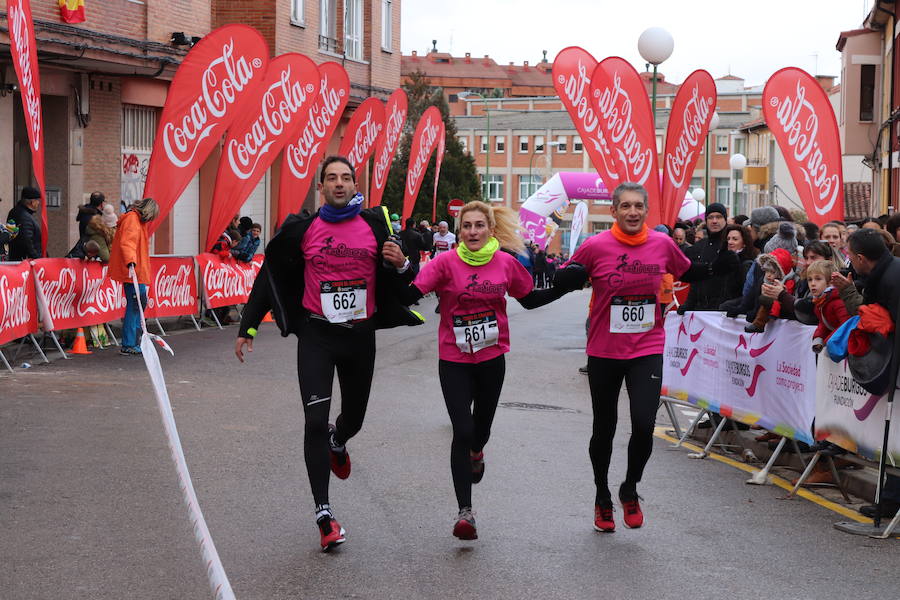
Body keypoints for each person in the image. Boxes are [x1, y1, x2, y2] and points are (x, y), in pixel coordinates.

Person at [234, 156, 423, 552]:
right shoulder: (303, 230)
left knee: (351, 418)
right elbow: (271, 274)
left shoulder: (375, 227)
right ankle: (324, 514)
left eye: (346, 178)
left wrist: (402, 263)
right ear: (321, 187)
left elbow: (409, 284)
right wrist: (248, 325)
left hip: (360, 336)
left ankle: (342, 440)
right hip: (317, 335)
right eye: (332, 178)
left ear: (356, 185)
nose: (339, 184)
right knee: (314, 421)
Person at [551, 182, 735, 532]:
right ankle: (602, 496)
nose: (633, 212)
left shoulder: (662, 244)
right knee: (603, 428)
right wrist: (567, 276)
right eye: (626, 206)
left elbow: (686, 272)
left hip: (646, 347)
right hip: (604, 349)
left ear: (646, 211)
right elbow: (567, 276)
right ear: (614, 211)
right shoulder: (596, 246)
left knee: (643, 424)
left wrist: (718, 267)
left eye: (638, 206)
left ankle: (629, 488)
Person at [399, 200, 564, 540]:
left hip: (491, 359)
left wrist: (568, 284)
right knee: (462, 429)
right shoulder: (445, 262)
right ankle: (465, 512)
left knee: (480, 432)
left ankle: (478, 451)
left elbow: (530, 299)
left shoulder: (505, 263)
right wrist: (398, 268)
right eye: (467, 227)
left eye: (478, 226)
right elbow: (409, 294)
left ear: (490, 229)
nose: (473, 232)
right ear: (459, 232)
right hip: (454, 359)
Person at [841, 228, 900, 518]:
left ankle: (891, 499)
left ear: (862, 258)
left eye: (850, 255)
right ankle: (890, 499)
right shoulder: (883, 274)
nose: (849, 260)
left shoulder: (894, 277)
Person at [108, 197, 158, 355]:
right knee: (136, 306)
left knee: (138, 305)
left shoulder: (135, 220)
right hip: (133, 272)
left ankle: (133, 341)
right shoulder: (133, 220)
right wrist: (131, 262)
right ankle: (130, 343)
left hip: (135, 271)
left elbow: (128, 243)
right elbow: (127, 243)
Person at [678, 203, 740, 311]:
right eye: (710, 217)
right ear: (706, 221)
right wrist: (689, 303)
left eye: (719, 217)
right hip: (701, 310)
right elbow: (695, 280)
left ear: (725, 219)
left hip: (725, 311)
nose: (714, 221)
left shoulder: (732, 244)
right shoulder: (699, 246)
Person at [805, 260, 851, 353]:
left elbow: (845, 325)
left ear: (830, 282)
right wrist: (819, 339)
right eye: (810, 279)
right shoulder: (820, 301)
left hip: (846, 347)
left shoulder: (837, 301)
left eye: (818, 279)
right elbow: (824, 323)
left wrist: (828, 342)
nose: (812, 283)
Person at [6, 186, 43, 261]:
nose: (38, 203)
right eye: (37, 200)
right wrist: (37, 259)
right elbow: (27, 242)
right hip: (25, 262)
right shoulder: (23, 216)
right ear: (32, 202)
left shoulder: (21, 213)